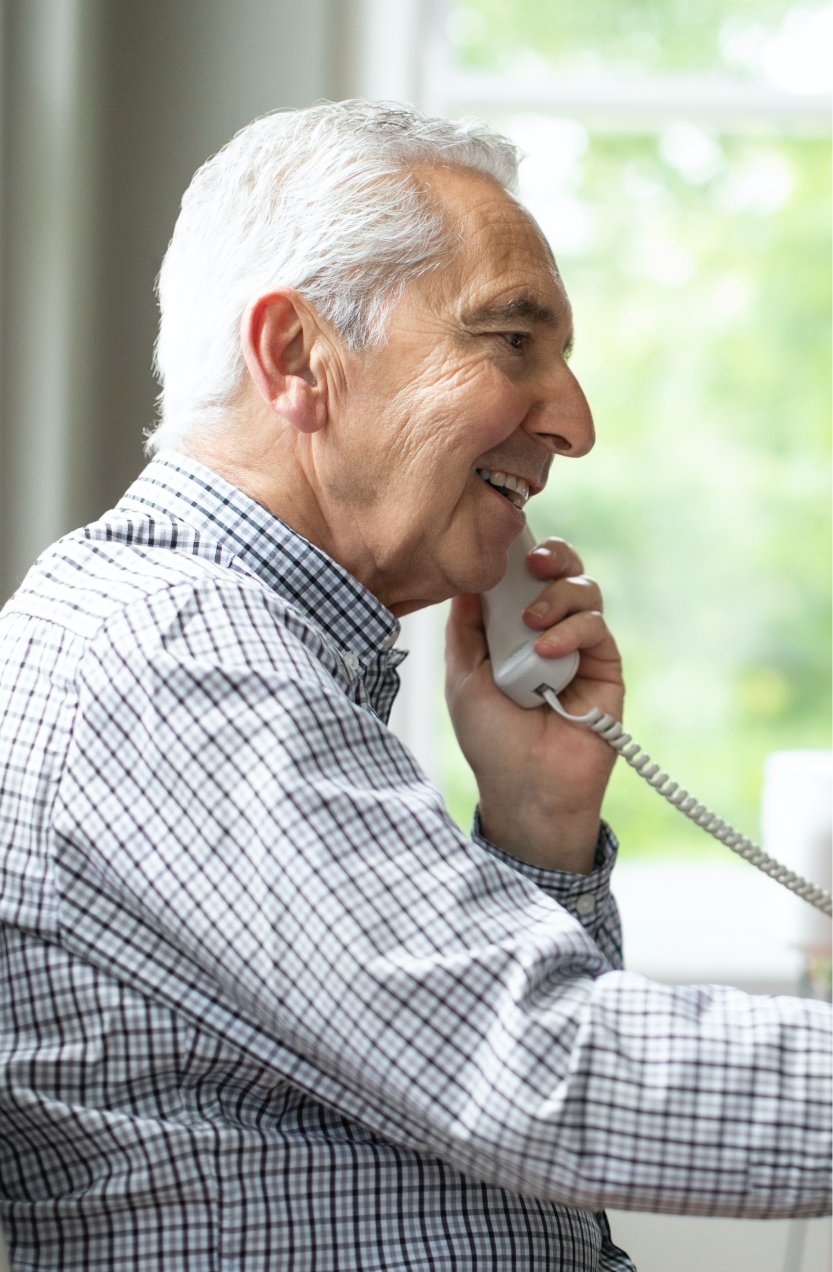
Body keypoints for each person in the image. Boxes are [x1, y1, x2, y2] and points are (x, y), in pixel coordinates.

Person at [0, 99, 828, 1271]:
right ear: (297, 356)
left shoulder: (220, 650)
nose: (575, 422)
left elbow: (464, 1107)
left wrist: (536, 834)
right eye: (510, 342)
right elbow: (545, 1070)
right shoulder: (169, 650)